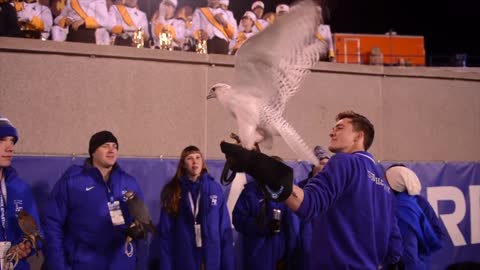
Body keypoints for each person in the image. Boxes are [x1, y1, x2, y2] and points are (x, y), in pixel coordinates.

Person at [220, 110, 403, 269]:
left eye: (340, 128)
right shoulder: (382, 181)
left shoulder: (344, 161)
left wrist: (257, 164)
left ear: (359, 136)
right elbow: (393, 244)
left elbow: (307, 204)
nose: (332, 132)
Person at [44, 130, 147, 270]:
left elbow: (143, 225)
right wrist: (58, 266)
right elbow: (52, 225)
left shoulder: (129, 182)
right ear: (93, 152)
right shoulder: (72, 181)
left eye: (114, 146)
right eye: (105, 146)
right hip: (84, 263)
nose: (112, 150)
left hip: (121, 263)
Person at [157, 145, 234, 270]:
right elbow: (166, 234)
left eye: (198, 157)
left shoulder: (214, 188)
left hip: (211, 261)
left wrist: (229, 266)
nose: (195, 161)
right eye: (189, 158)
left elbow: (224, 230)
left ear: (202, 163)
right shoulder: (174, 191)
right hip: (185, 260)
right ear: (183, 164)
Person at [232, 155, 298, 270]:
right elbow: (238, 218)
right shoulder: (251, 192)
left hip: (281, 259)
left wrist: (289, 257)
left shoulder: (288, 195)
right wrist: (261, 226)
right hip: (256, 257)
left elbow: (294, 229)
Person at [0, 116, 42, 270]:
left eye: (12, 141)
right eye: (2, 140)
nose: (10, 148)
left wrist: (26, 247)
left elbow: (36, 233)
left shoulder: (21, 188)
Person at [385, 164, 445, 270]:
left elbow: (407, 249)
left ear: (394, 183)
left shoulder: (402, 208)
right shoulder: (409, 202)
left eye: (386, 180)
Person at [295, 146, 329, 270]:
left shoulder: (333, 191)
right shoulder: (300, 189)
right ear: (313, 165)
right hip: (302, 247)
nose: (325, 167)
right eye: (322, 163)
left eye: (327, 164)